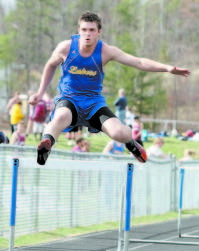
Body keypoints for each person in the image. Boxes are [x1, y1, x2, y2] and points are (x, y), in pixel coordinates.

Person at [28, 11, 190, 166]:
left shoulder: (106, 51)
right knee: (60, 116)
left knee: (119, 133)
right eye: (84, 30)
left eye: (92, 30)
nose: (87, 34)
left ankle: (132, 144)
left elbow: (138, 62)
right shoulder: (65, 48)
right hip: (70, 99)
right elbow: (50, 66)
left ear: (99, 32)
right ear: (79, 30)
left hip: (93, 104)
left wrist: (167, 68)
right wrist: (40, 93)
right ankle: (46, 145)